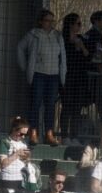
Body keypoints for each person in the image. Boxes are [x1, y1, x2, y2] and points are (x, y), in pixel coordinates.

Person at [16, 10, 65, 144]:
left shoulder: (57, 36)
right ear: (41, 21)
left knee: (50, 105)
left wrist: (63, 73)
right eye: (47, 20)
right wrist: (26, 68)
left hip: (53, 75)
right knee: (35, 104)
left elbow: (62, 56)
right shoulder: (33, 34)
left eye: (52, 21)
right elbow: (20, 47)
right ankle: (33, 132)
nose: (50, 23)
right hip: (38, 74)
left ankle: (49, 133)